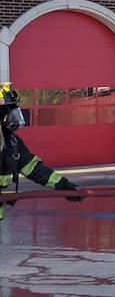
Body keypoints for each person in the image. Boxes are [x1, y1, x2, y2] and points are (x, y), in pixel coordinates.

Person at [0, 82, 83, 220]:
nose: (14, 114)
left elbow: (33, 168)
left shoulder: (11, 142)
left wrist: (63, 185)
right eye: (10, 109)